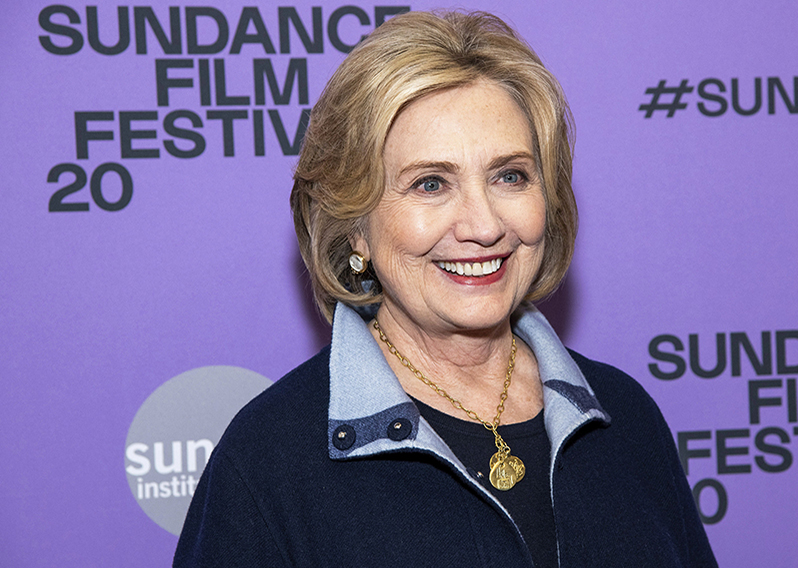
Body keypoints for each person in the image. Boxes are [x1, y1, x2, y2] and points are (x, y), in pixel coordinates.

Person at [174, 10, 716, 568]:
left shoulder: (625, 419)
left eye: (510, 176)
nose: (483, 226)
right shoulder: (270, 463)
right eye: (430, 184)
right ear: (353, 225)